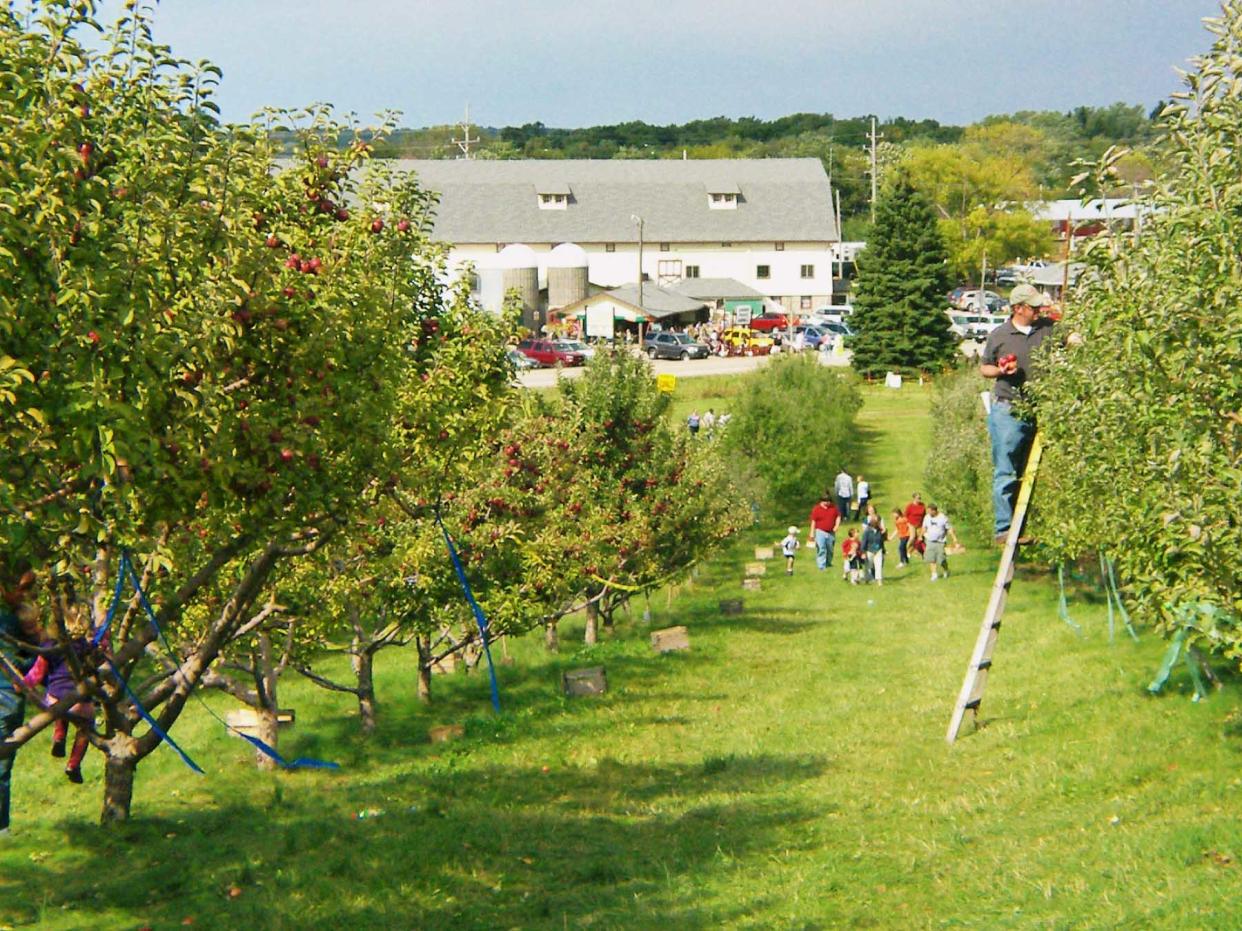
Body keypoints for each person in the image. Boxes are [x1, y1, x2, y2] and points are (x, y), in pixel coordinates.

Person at [980, 284, 1056, 545]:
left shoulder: (1047, 328)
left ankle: (1022, 525)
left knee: (1029, 470)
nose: (1038, 310)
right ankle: (1004, 528)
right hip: (1008, 409)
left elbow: (1069, 337)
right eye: (1033, 307)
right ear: (1018, 309)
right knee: (1006, 469)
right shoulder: (1000, 335)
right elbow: (984, 369)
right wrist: (1002, 370)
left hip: (1039, 407)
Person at [23, 602, 94, 784]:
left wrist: (24, 684)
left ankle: (59, 736)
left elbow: (38, 672)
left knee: (61, 706)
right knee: (86, 727)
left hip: (55, 698)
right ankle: (74, 764)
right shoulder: (83, 646)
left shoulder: (49, 645)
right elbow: (95, 667)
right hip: (80, 702)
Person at [1, 568, 39, 837]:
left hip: (6, 700)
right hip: (9, 702)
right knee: (2, 766)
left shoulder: (11, 622)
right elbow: (34, 660)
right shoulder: (13, 622)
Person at [922, 503, 961, 581]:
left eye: (930, 511)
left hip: (940, 541)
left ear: (934, 511)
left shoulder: (943, 518)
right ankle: (934, 574)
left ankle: (946, 570)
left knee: (941, 559)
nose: (928, 513)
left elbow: (950, 529)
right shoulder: (927, 517)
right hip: (929, 540)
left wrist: (955, 539)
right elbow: (924, 527)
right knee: (931, 558)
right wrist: (921, 536)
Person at [807, 492, 841, 571]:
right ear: (821, 501)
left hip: (831, 532)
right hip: (820, 531)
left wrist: (836, 526)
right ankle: (821, 566)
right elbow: (813, 521)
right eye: (825, 501)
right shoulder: (816, 509)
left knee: (830, 549)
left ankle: (828, 563)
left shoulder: (833, 508)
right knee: (821, 548)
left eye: (829, 501)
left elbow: (838, 517)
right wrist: (812, 533)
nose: (827, 503)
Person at [861, 515, 886, 585]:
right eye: (877, 522)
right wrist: (863, 552)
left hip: (878, 550)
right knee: (868, 566)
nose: (879, 524)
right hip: (869, 550)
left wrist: (883, 550)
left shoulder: (880, 531)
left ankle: (879, 581)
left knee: (879, 565)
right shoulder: (867, 531)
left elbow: (881, 541)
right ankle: (867, 579)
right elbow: (864, 542)